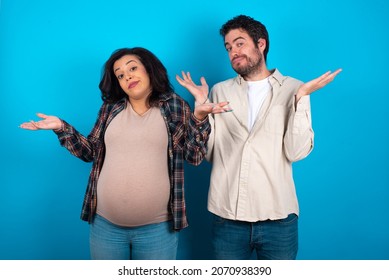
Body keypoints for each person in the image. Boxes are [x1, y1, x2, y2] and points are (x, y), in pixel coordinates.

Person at [20, 47, 230, 260]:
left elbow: (194, 157)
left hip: (157, 230)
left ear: (148, 69)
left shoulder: (174, 106)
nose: (127, 75)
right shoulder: (110, 108)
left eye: (132, 68)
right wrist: (61, 127)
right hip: (105, 228)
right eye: (120, 74)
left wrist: (200, 117)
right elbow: (90, 151)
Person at [176, 15, 342, 260]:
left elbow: (295, 152)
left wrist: (302, 98)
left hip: (278, 217)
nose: (233, 51)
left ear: (261, 44)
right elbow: (208, 154)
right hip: (227, 217)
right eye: (229, 47)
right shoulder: (219, 90)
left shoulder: (293, 88)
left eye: (240, 43)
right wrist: (199, 112)